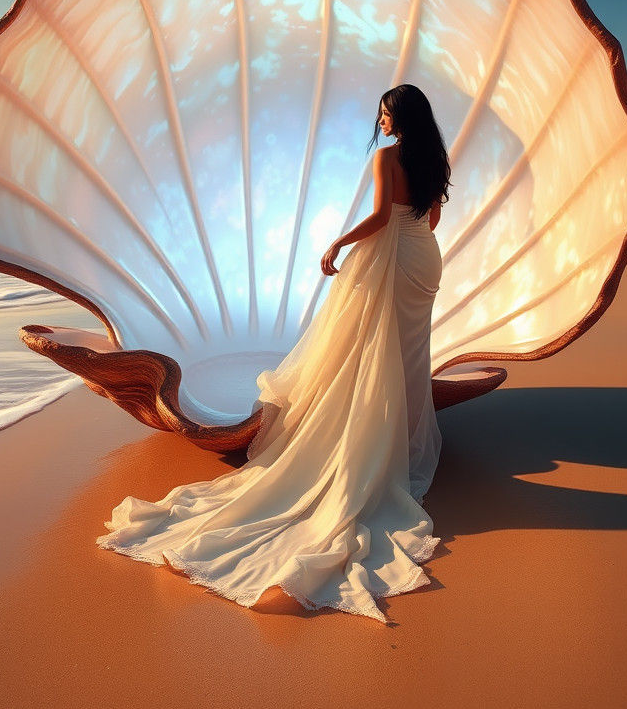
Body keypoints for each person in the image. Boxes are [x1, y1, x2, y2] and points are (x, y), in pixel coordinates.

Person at [97, 84, 452, 623]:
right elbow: (430, 219)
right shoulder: (433, 158)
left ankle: (373, 451)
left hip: (393, 255)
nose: (379, 120)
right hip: (425, 260)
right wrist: (407, 239)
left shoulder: (388, 156)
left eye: (384, 112)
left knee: (368, 356)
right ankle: (398, 446)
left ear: (398, 117)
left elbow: (381, 216)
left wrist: (338, 243)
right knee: (402, 357)